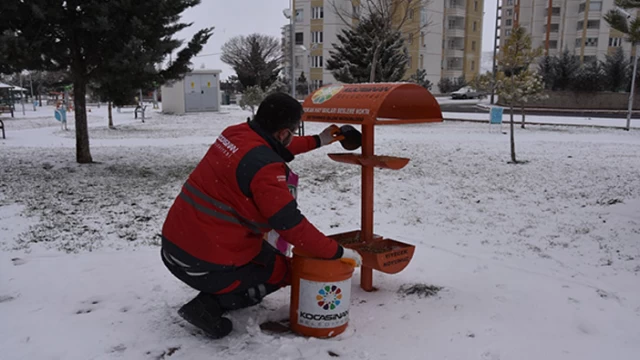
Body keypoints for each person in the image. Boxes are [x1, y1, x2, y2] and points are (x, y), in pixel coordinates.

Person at [160, 92, 362, 339]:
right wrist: (338, 252)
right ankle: (209, 306)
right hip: (200, 261)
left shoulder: (235, 133)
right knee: (285, 271)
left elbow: (274, 145)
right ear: (283, 132)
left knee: (270, 258)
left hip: (174, 246)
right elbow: (291, 225)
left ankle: (224, 284)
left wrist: (319, 140)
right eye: (293, 131)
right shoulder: (265, 169)